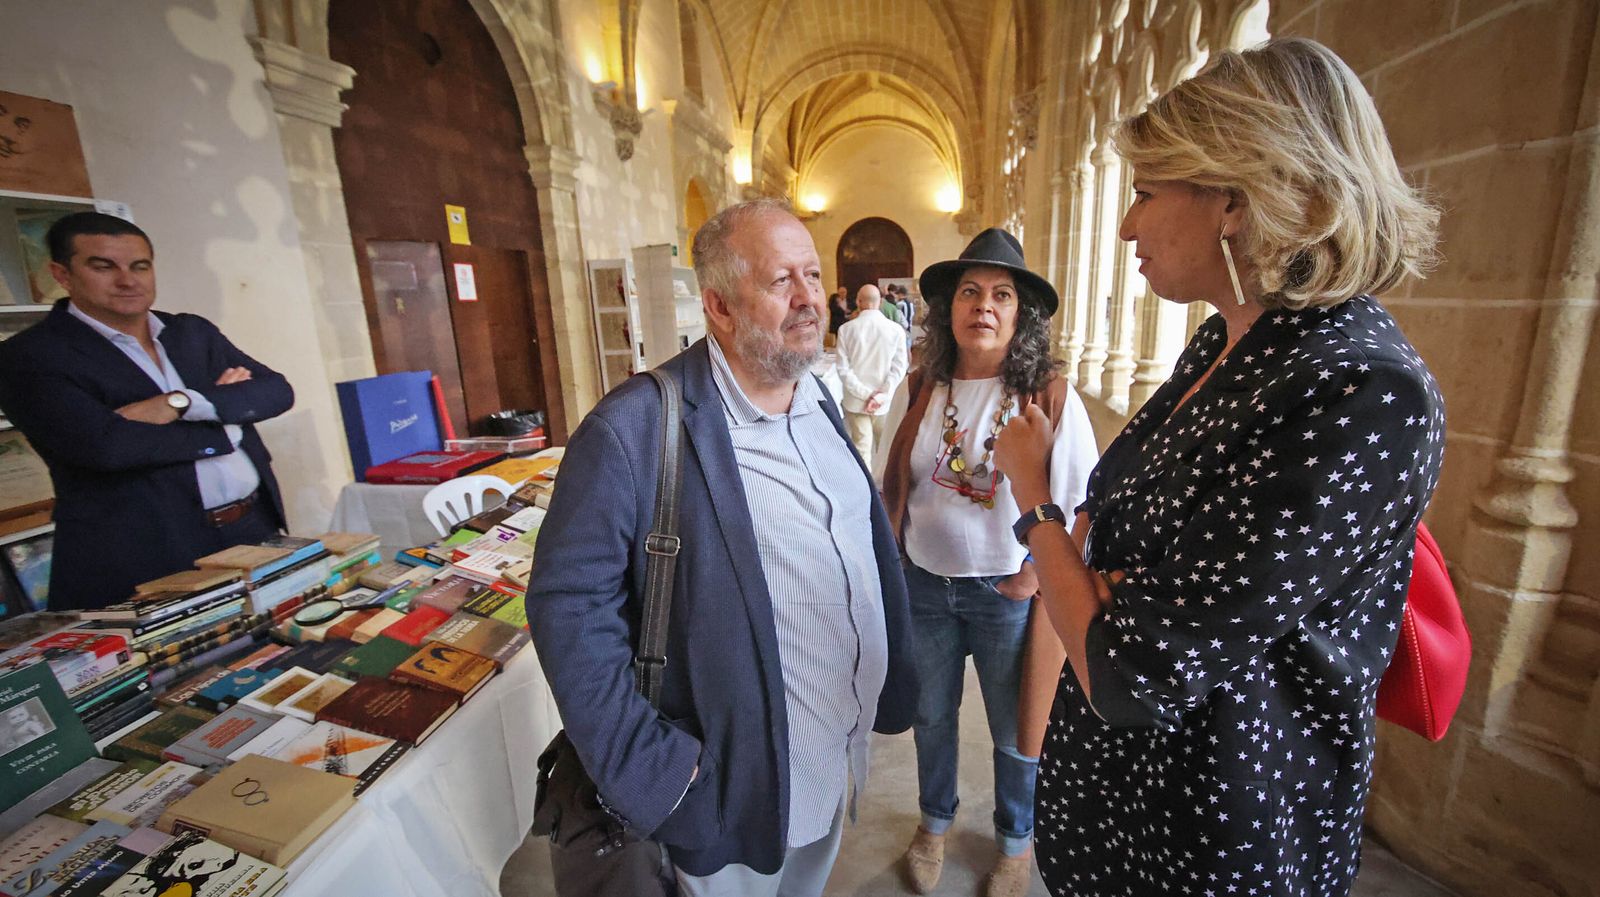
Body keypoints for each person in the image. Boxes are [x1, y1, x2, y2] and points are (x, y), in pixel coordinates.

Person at [991, 38, 1444, 897]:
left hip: (1215, 837)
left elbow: (1129, 671)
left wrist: (1036, 506)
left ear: (1235, 198)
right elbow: (1113, 553)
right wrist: (1097, 580)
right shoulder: (1227, 339)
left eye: (1146, 193)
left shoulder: (1359, 387)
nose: (1125, 224)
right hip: (1124, 805)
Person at [528, 197, 917, 897]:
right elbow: (567, 607)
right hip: (721, 797)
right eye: (780, 282)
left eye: (810, 273)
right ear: (718, 306)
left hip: (828, 765)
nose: (809, 300)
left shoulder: (817, 398)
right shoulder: (636, 428)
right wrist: (655, 773)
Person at [875, 228, 1099, 897]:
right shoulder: (921, 385)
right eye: (970, 291)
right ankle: (934, 824)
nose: (984, 304)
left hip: (1006, 594)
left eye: (1002, 294)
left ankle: (1014, 842)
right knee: (933, 716)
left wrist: (1035, 575)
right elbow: (888, 478)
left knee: (1014, 728)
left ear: (1020, 314)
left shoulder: (1049, 395)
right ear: (949, 308)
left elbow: (1083, 497)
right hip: (925, 584)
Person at [0, 212, 293, 611]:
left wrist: (180, 403)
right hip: (149, 550)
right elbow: (105, 447)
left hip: (252, 527)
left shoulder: (190, 332)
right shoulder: (30, 357)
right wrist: (227, 424)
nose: (128, 280)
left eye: (140, 266)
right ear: (62, 274)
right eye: (104, 267)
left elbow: (276, 391)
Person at [834, 283, 908, 461]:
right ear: (880, 302)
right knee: (886, 448)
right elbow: (899, 368)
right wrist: (880, 395)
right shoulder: (896, 330)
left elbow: (843, 369)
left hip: (855, 401)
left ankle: (866, 488)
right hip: (884, 402)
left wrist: (866, 394)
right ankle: (886, 486)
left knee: (861, 448)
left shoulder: (845, 330)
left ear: (859, 302)